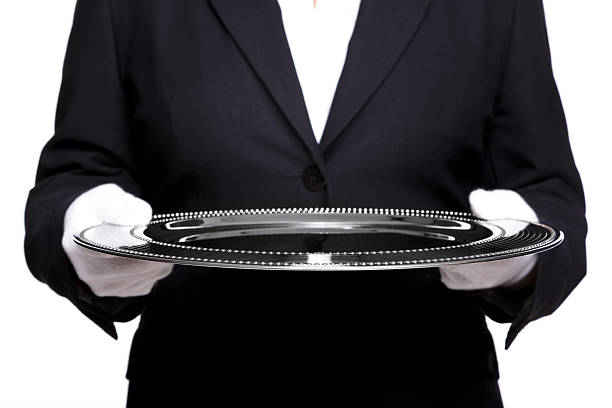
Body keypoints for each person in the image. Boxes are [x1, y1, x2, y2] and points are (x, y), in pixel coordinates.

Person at [24, 0, 586, 406]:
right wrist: (81, 236)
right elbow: (74, 176)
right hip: (198, 385)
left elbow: (551, 196)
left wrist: (521, 260)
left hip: (431, 386)